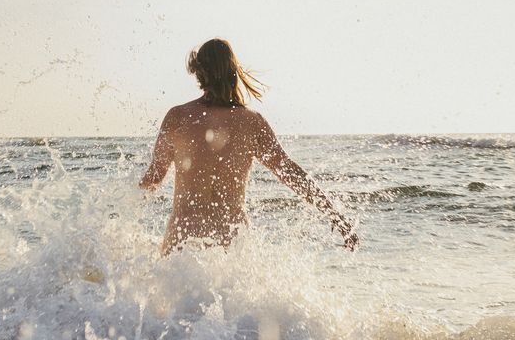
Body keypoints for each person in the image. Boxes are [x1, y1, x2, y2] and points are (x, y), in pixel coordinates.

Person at [139, 38, 359, 255]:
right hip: (231, 243)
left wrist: (119, 215)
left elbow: (154, 178)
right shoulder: (252, 122)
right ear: (234, 71)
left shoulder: (179, 117)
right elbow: (289, 172)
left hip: (183, 240)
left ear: (199, 72)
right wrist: (333, 214)